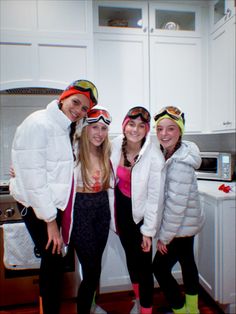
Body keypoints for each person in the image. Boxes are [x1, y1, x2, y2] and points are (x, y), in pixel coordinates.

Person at [9, 80, 98, 314]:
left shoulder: (66, 127)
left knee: (53, 264)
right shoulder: (39, 123)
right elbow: (36, 180)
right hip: (39, 207)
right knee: (53, 263)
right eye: (75, 102)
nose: (78, 110)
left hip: (52, 205)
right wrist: (50, 222)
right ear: (63, 98)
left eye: (84, 108)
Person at [108, 106, 165, 314]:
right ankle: (139, 302)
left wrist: (148, 231)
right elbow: (87, 154)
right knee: (131, 261)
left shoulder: (153, 155)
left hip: (141, 219)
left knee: (145, 268)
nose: (135, 129)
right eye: (131, 124)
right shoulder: (113, 146)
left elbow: (154, 198)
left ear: (147, 129)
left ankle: (146, 311)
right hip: (121, 215)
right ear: (124, 125)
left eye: (141, 126)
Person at [152, 106, 205, 314]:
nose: (164, 134)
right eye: (160, 129)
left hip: (180, 226)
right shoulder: (174, 152)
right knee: (187, 263)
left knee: (159, 268)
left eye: (171, 129)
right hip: (187, 223)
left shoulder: (179, 162)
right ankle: (192, 310)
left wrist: (164, 237)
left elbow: (176, 204)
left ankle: (180, 309)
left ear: (180, 131)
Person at [71, 105, 112, 314]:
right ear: (85, 128)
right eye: (94, 127)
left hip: (102, 209)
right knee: (92, 269)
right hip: (81, 210)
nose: (99, 133)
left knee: (95, 267)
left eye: (104, 129)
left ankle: (91, 307)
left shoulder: (108, 151)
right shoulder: (73, 151)